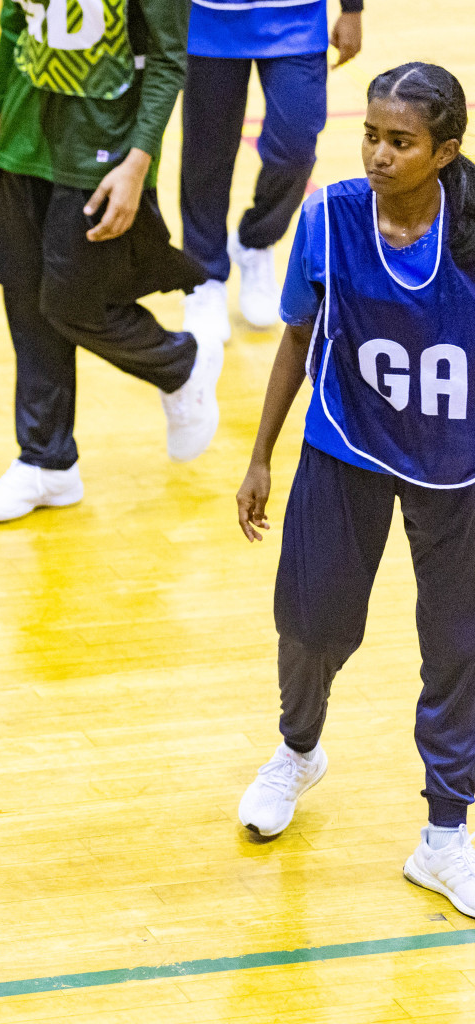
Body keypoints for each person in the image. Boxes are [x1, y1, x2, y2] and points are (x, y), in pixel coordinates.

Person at [235, 64, 475, 918]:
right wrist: (261, 454)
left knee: (456, 648)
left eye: (401, 142)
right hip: (348, 445)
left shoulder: (471, 235)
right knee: (310, 624)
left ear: (446, 152)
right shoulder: (331, 217)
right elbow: (298, 336)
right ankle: (297, 751)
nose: (377, 153)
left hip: (457, 466)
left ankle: (445, 836)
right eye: (370, 134)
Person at [0, 0, 223, 524]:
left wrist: (138, 161)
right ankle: (47, 462)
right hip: (23, 138)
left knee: (74, 304)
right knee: (27, 305)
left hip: (103, 152)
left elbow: (170, 60)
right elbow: (16, 29)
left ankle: (181, 363)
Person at [181, 0, 366, 344]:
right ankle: (203, 276)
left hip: (297, 17)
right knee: (206, 156)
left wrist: (352, 8)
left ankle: (256, 241)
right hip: (208, 17)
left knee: (295, 149)